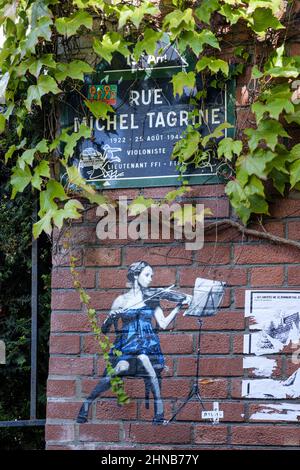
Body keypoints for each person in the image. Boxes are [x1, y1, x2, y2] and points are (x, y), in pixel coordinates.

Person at [76, 261, 191, 425]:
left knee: (144, 359)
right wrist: (111, 317)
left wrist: (178, 306)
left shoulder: (152, 299)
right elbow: (104, 330)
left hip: (147, 348)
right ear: (136, 276)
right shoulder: (121, 300)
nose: (151, 279)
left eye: (152, 275)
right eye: (147, 275)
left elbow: (163, 323)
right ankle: (86, 405)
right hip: (127, 349)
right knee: (118, 369)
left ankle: (159, 413)